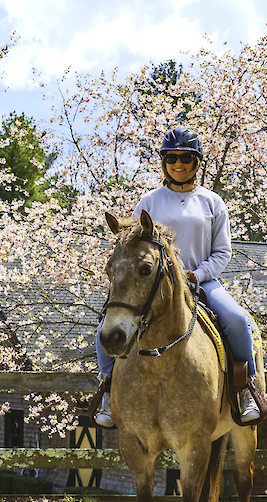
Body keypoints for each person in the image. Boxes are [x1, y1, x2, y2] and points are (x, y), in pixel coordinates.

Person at [94, 126, 260, 428]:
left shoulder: (213, 203)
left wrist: (197, 274)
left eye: (185, 157)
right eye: (171, 158)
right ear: (164, 163)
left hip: (203, 282)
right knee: (103, 330)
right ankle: (107, 391)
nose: (178, 164)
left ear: (196, 162)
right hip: (157, 286)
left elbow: (223, 252)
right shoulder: (150, 201)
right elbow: (132, 248)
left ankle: (245, 388)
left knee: (236, 320)